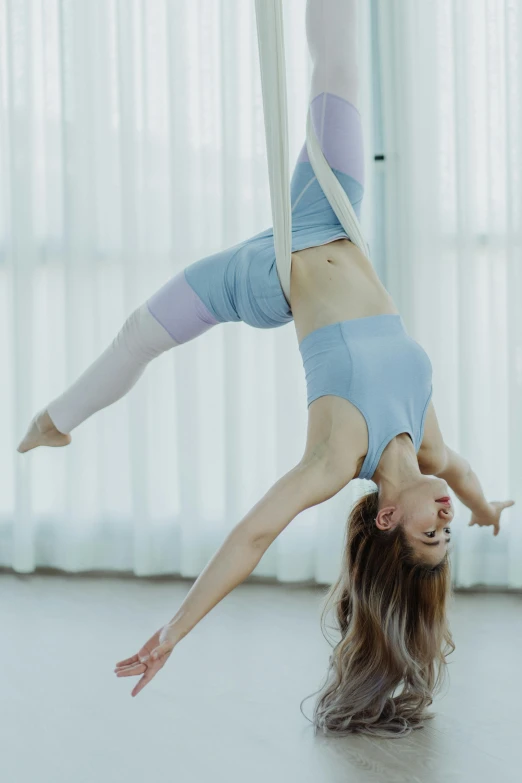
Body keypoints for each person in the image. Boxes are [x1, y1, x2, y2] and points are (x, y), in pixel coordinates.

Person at [17, 0, 514, 733]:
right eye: (449, 529)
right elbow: (463, 474)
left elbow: (252, 537)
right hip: (334, 209)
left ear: (384, 517)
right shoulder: (427, 440)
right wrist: (480, 506)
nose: (444, 518)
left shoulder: (336, 455)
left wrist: (174, 630)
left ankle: (53, 421)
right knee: (339, 60)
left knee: (140, 334)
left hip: (271, 272)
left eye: (431, 532)